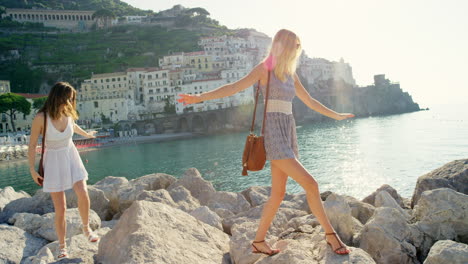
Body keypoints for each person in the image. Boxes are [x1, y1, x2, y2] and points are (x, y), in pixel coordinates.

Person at [178, 29, 354, 255]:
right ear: (283, 46)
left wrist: (336, 116)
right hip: (273, 132)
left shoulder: (291, 74)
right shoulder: (264, 69)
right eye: (293, 47)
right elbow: (233, 88)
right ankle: (331, 236)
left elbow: (309, 101)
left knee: (278, 194)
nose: (295, 52)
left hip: (287, 129)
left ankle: (258, 241)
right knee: (311, 184)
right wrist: (199, 98)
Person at [28, 82, 99, 259]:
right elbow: (31, 145)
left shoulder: (68, 113)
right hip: (52, 161)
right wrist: (32, 170)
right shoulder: (41, 118)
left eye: (72, 99)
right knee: (61, 208)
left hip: (70, 155)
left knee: (83, 192)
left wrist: (87, 135)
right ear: (58, 97)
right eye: (68, 98)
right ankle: (62, 248)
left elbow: (73, 127)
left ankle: (86, 228)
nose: (70, 101)